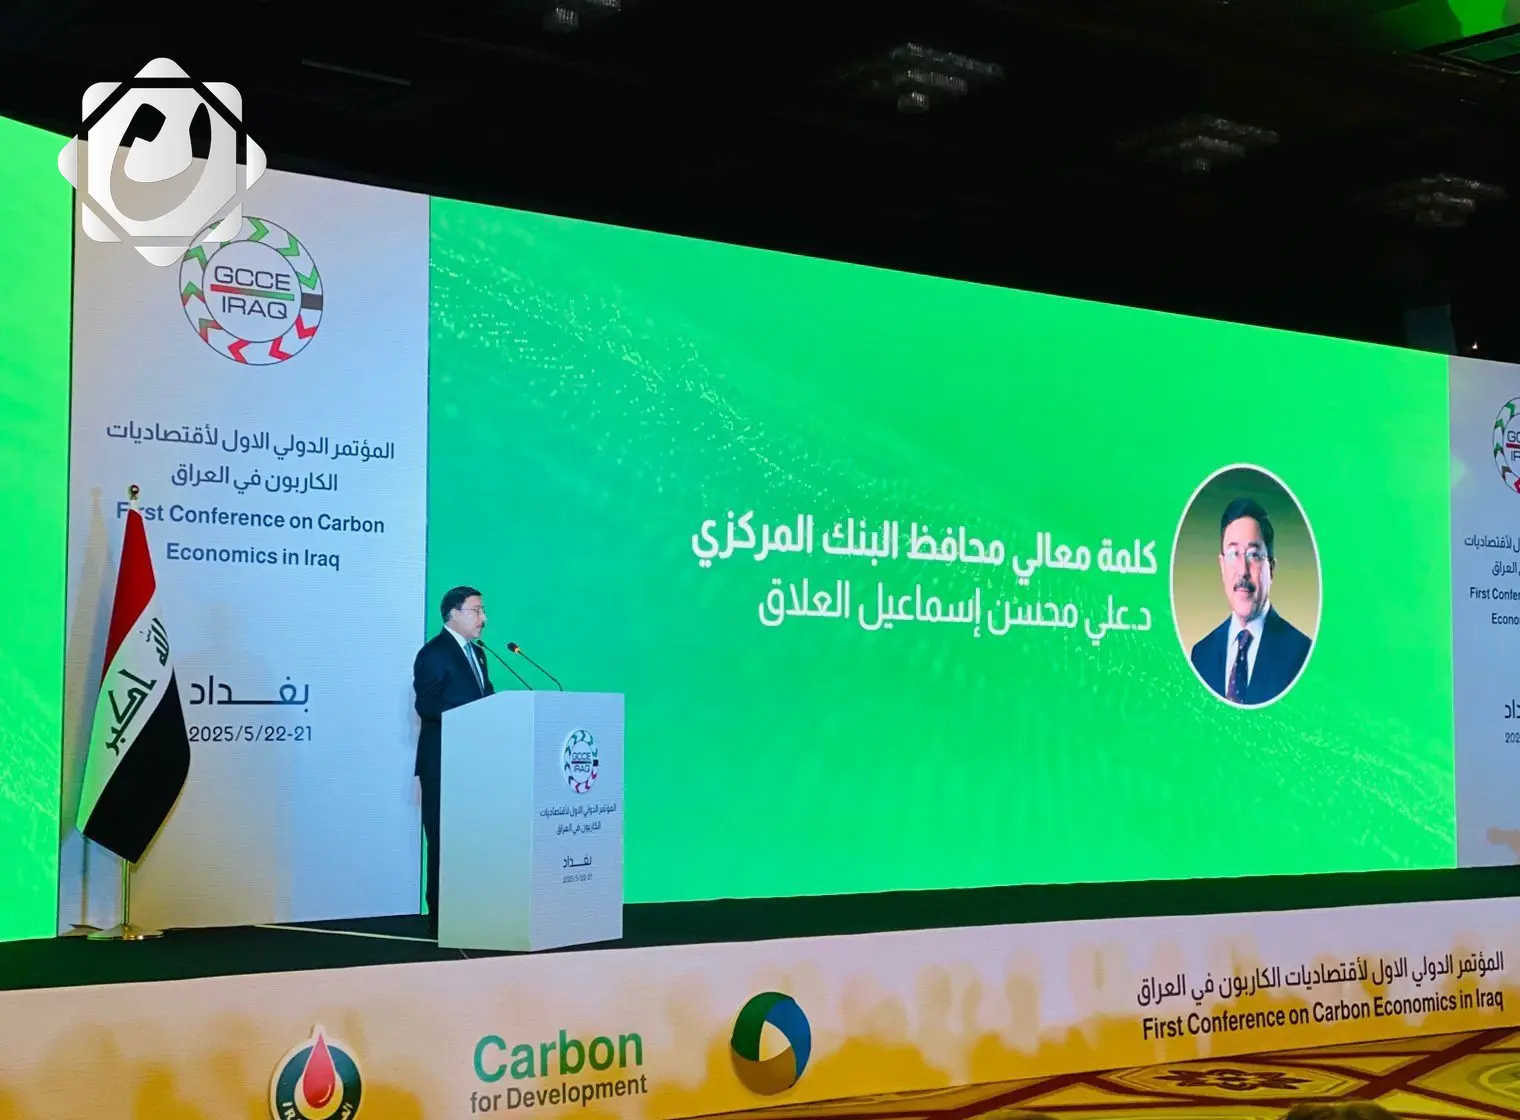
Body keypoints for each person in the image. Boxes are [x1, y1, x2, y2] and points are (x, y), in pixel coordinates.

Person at [413, 585, 494, 938]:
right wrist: (471, 715)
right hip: (443, 764)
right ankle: (441, 918)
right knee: (445, 842)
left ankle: (474, 910)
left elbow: (487, 698)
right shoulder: (434, 653)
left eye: (482, 610)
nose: (483, 618)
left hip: (475, 764)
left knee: (474, 841)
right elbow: (426, 705)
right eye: (476, 610)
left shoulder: (479, 653)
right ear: (454, 614)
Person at [1189, 497, 1312, 706]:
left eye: (1254, 555)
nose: (1243, 571)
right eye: (1233, 554)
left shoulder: (1301, 654)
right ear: (1222, 566)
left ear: (1271, 568)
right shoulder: (1201, 655)